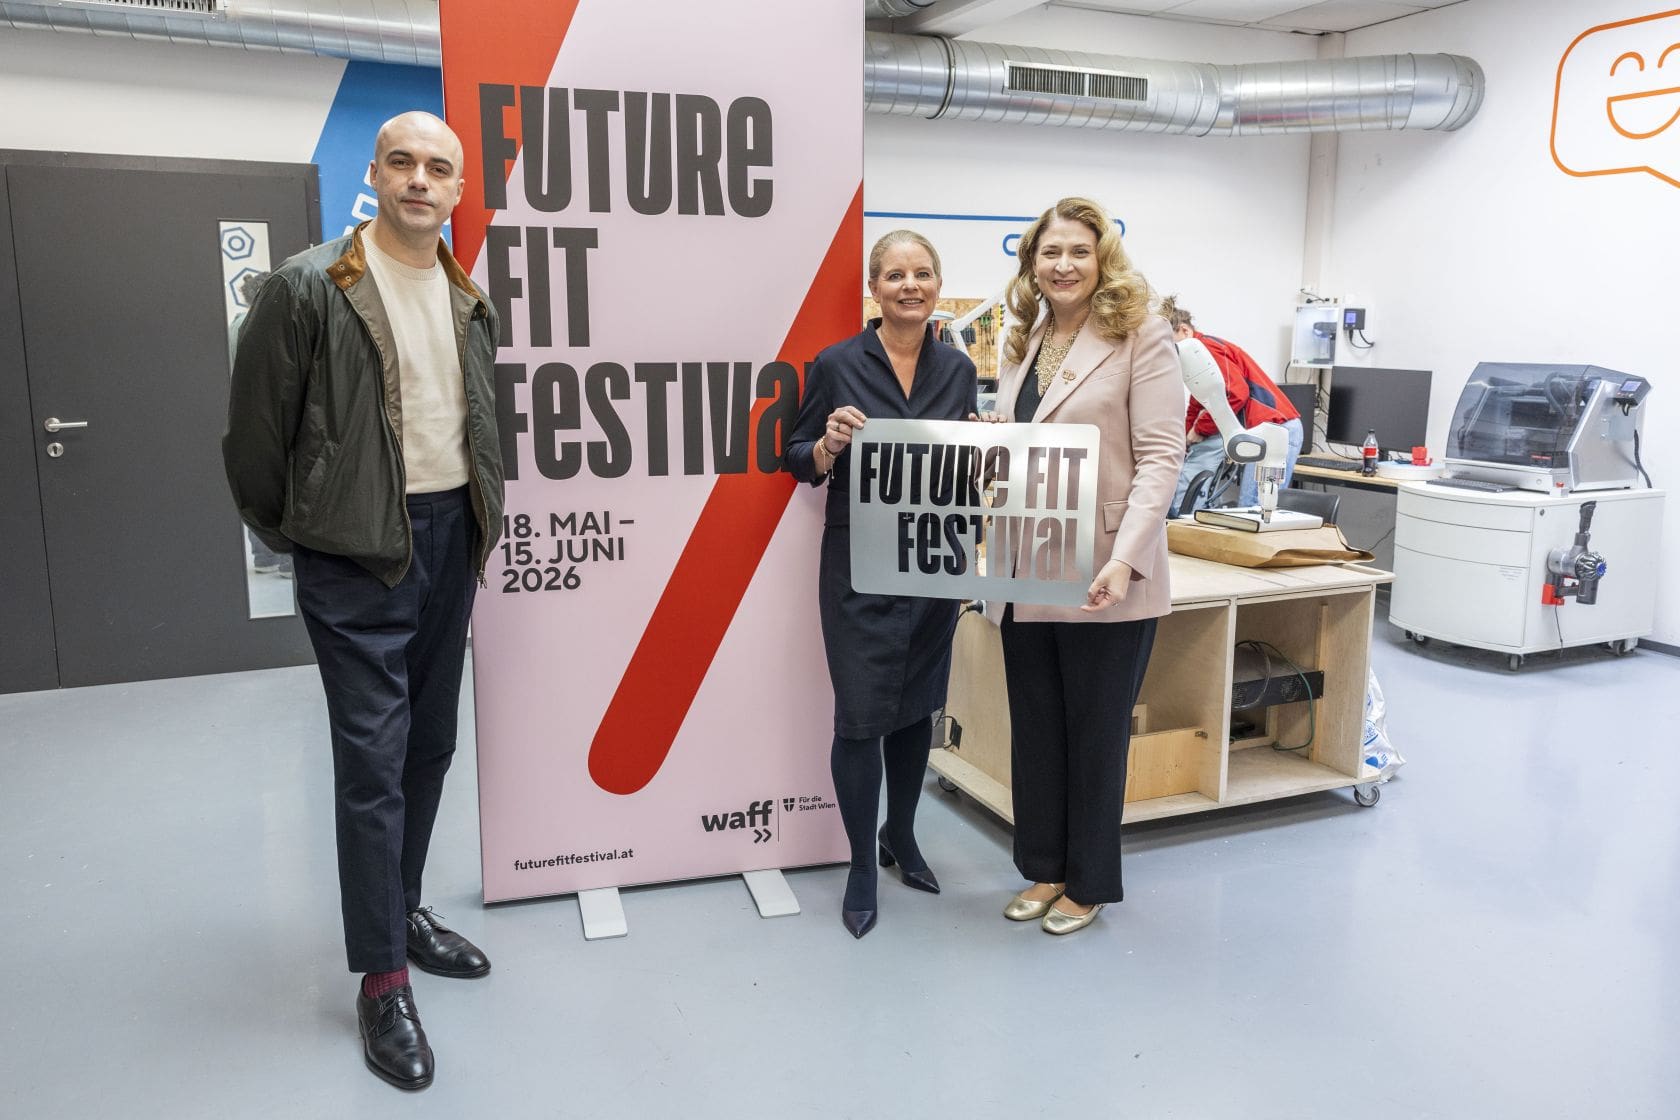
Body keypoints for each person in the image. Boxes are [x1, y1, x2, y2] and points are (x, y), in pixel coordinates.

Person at [222, 111, 504, 1091]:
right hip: (353, 554)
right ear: (377, 176)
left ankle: (406, 906)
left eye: (439, 167)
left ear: (459, 188)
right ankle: (383, 976)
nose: (420, 179)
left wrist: (478, 516)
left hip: (447, 535)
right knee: (374, 763)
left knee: (430, 743)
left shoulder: (469, 297)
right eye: (403, 162)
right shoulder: (308, 287)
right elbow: (254, 444)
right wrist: (306, 532)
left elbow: (474, 419)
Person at [990, 197, 1183, 936]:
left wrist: (1126, 558)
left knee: (1095, 732)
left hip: (1104, 567)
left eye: (1077, 251)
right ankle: (1044, 865)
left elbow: (1163, 457)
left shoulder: (1141, 334)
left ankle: (1090, 881)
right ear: (1031, 264)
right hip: (1026, 560)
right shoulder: (1025, 337)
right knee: (1037, 726)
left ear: (1102, 258)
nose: (1062, 265)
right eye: (1049, 252)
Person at [787, 230, 979, 939]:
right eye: (894, 274)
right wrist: (829, 445)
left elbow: (962, 471)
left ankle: (902, 832)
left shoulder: (957, 370)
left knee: (917, 705)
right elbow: (796, 458)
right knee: (862, 714)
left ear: (936, 285)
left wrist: (985, 446)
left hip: (934, 563)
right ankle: (863, 864)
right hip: (860, 568)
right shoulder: (838, 363)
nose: (909, 285)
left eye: (922, 273)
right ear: (874, 287)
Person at [1159, 295, 1303, 516]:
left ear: (1185, 331)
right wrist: (1185, 436)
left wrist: (1199, 430)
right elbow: (1200, 403)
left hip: (1276, 429)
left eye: (1170, 341)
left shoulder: (1205, 349)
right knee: (1250, 507)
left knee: (1255, 508)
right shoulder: (1197, 361)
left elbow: (1234, 393)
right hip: (1265, 429)